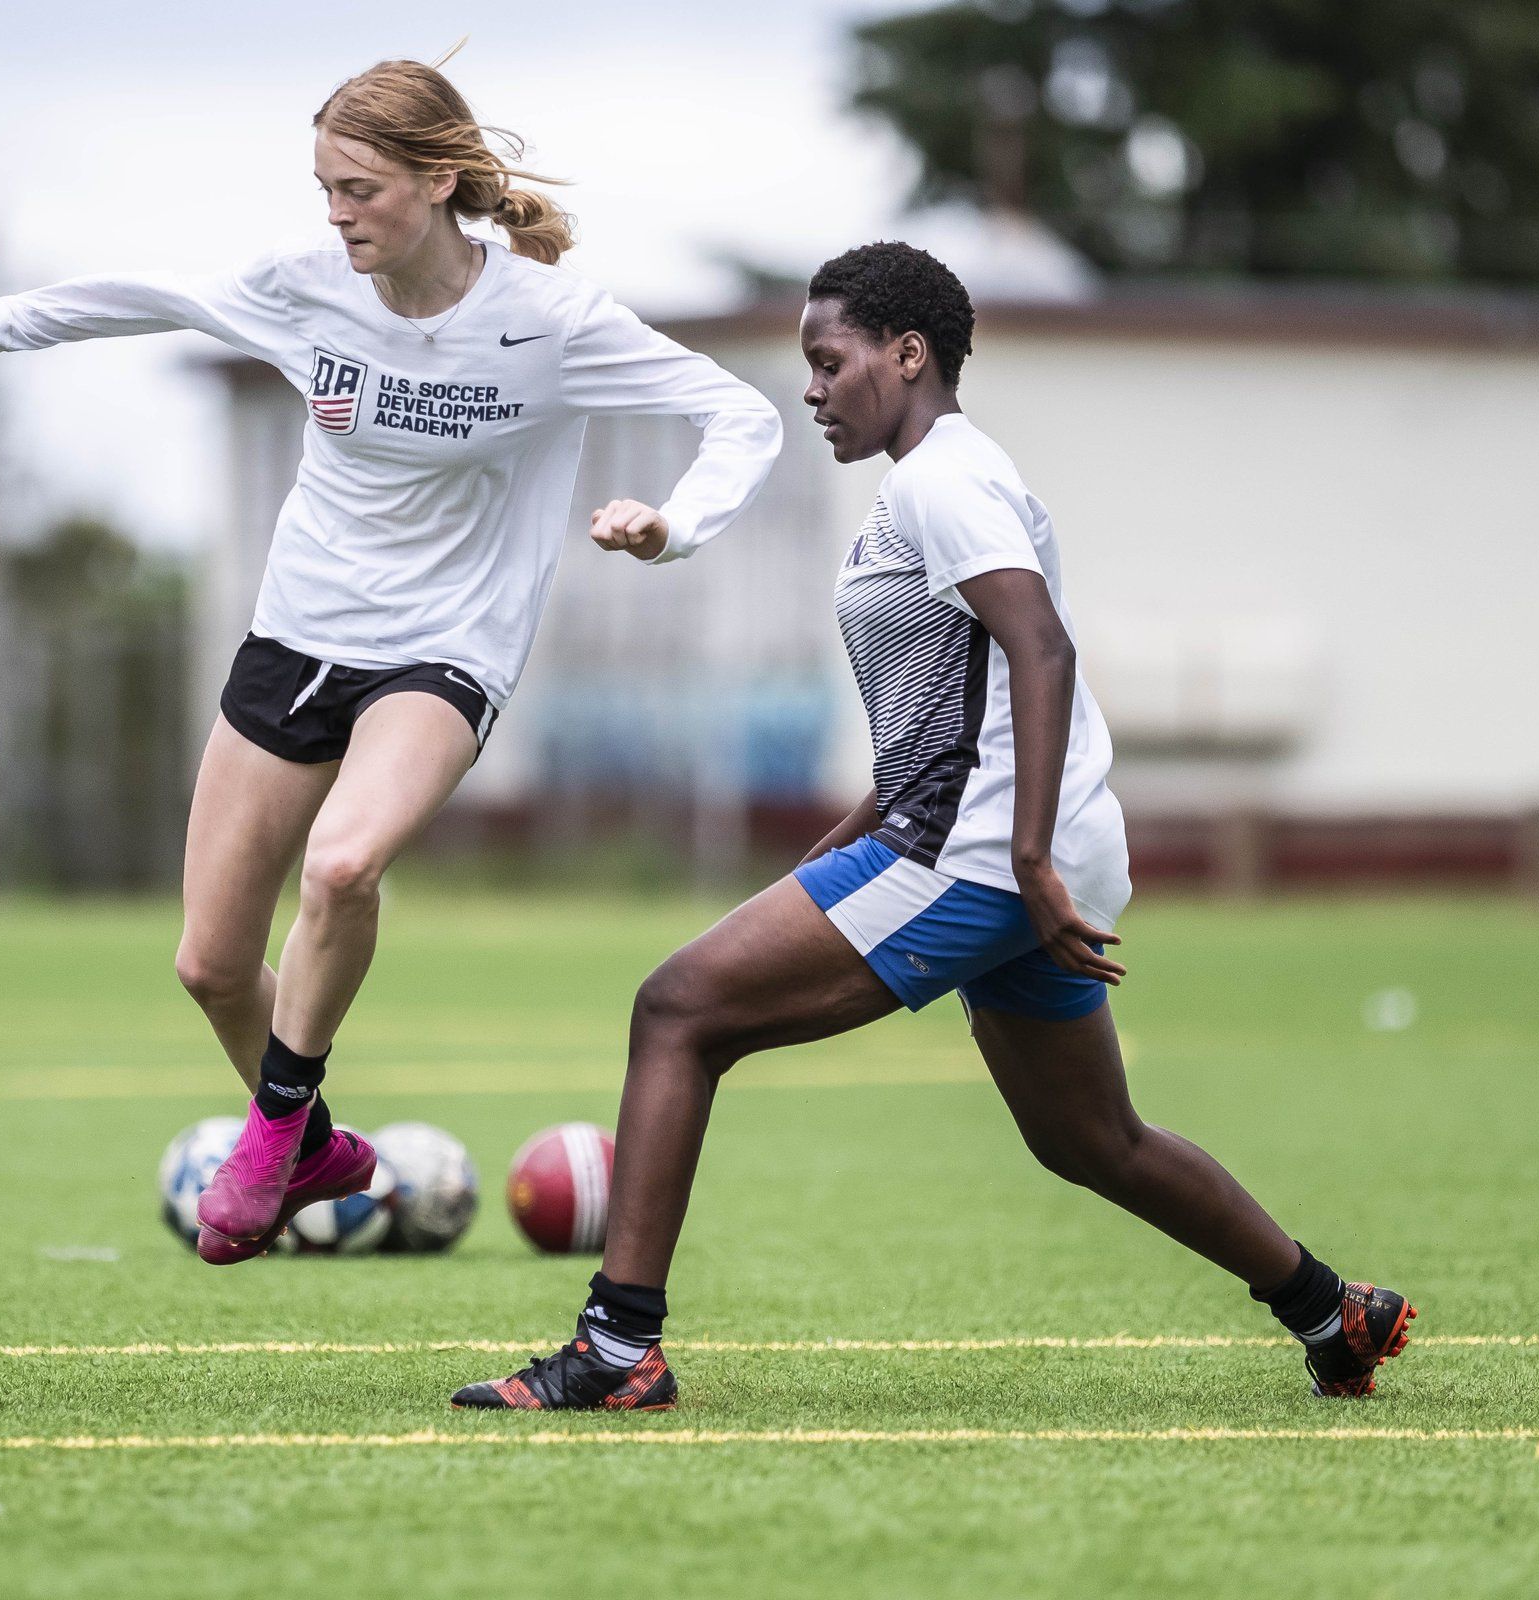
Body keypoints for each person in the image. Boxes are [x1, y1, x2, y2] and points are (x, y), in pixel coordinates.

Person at [453, 242, 1414, 1411]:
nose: (810, 388)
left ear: (908, 355)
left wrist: (1022, 859)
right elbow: (960, 709)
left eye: (829, 360)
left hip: (977, 853)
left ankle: (616, 1350)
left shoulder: (943, 479)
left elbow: (1043, 647)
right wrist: (856, 834)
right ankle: (1332, 1311)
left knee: (678, 1010)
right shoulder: (926, 483)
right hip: (988, 841)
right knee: (1090, 1138)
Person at [0, 57, 781, 1264]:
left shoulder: (548, 319)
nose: (336, 213)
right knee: (209, 963)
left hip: (448, 650)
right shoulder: (303, 289)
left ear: (439, 178)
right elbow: (156, 298)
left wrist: (672, 526)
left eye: (360, 188)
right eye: (324, 188)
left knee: (343, 866)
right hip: (298, 632)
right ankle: (321, 1147)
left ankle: (275, 1128)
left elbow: (742, 413)